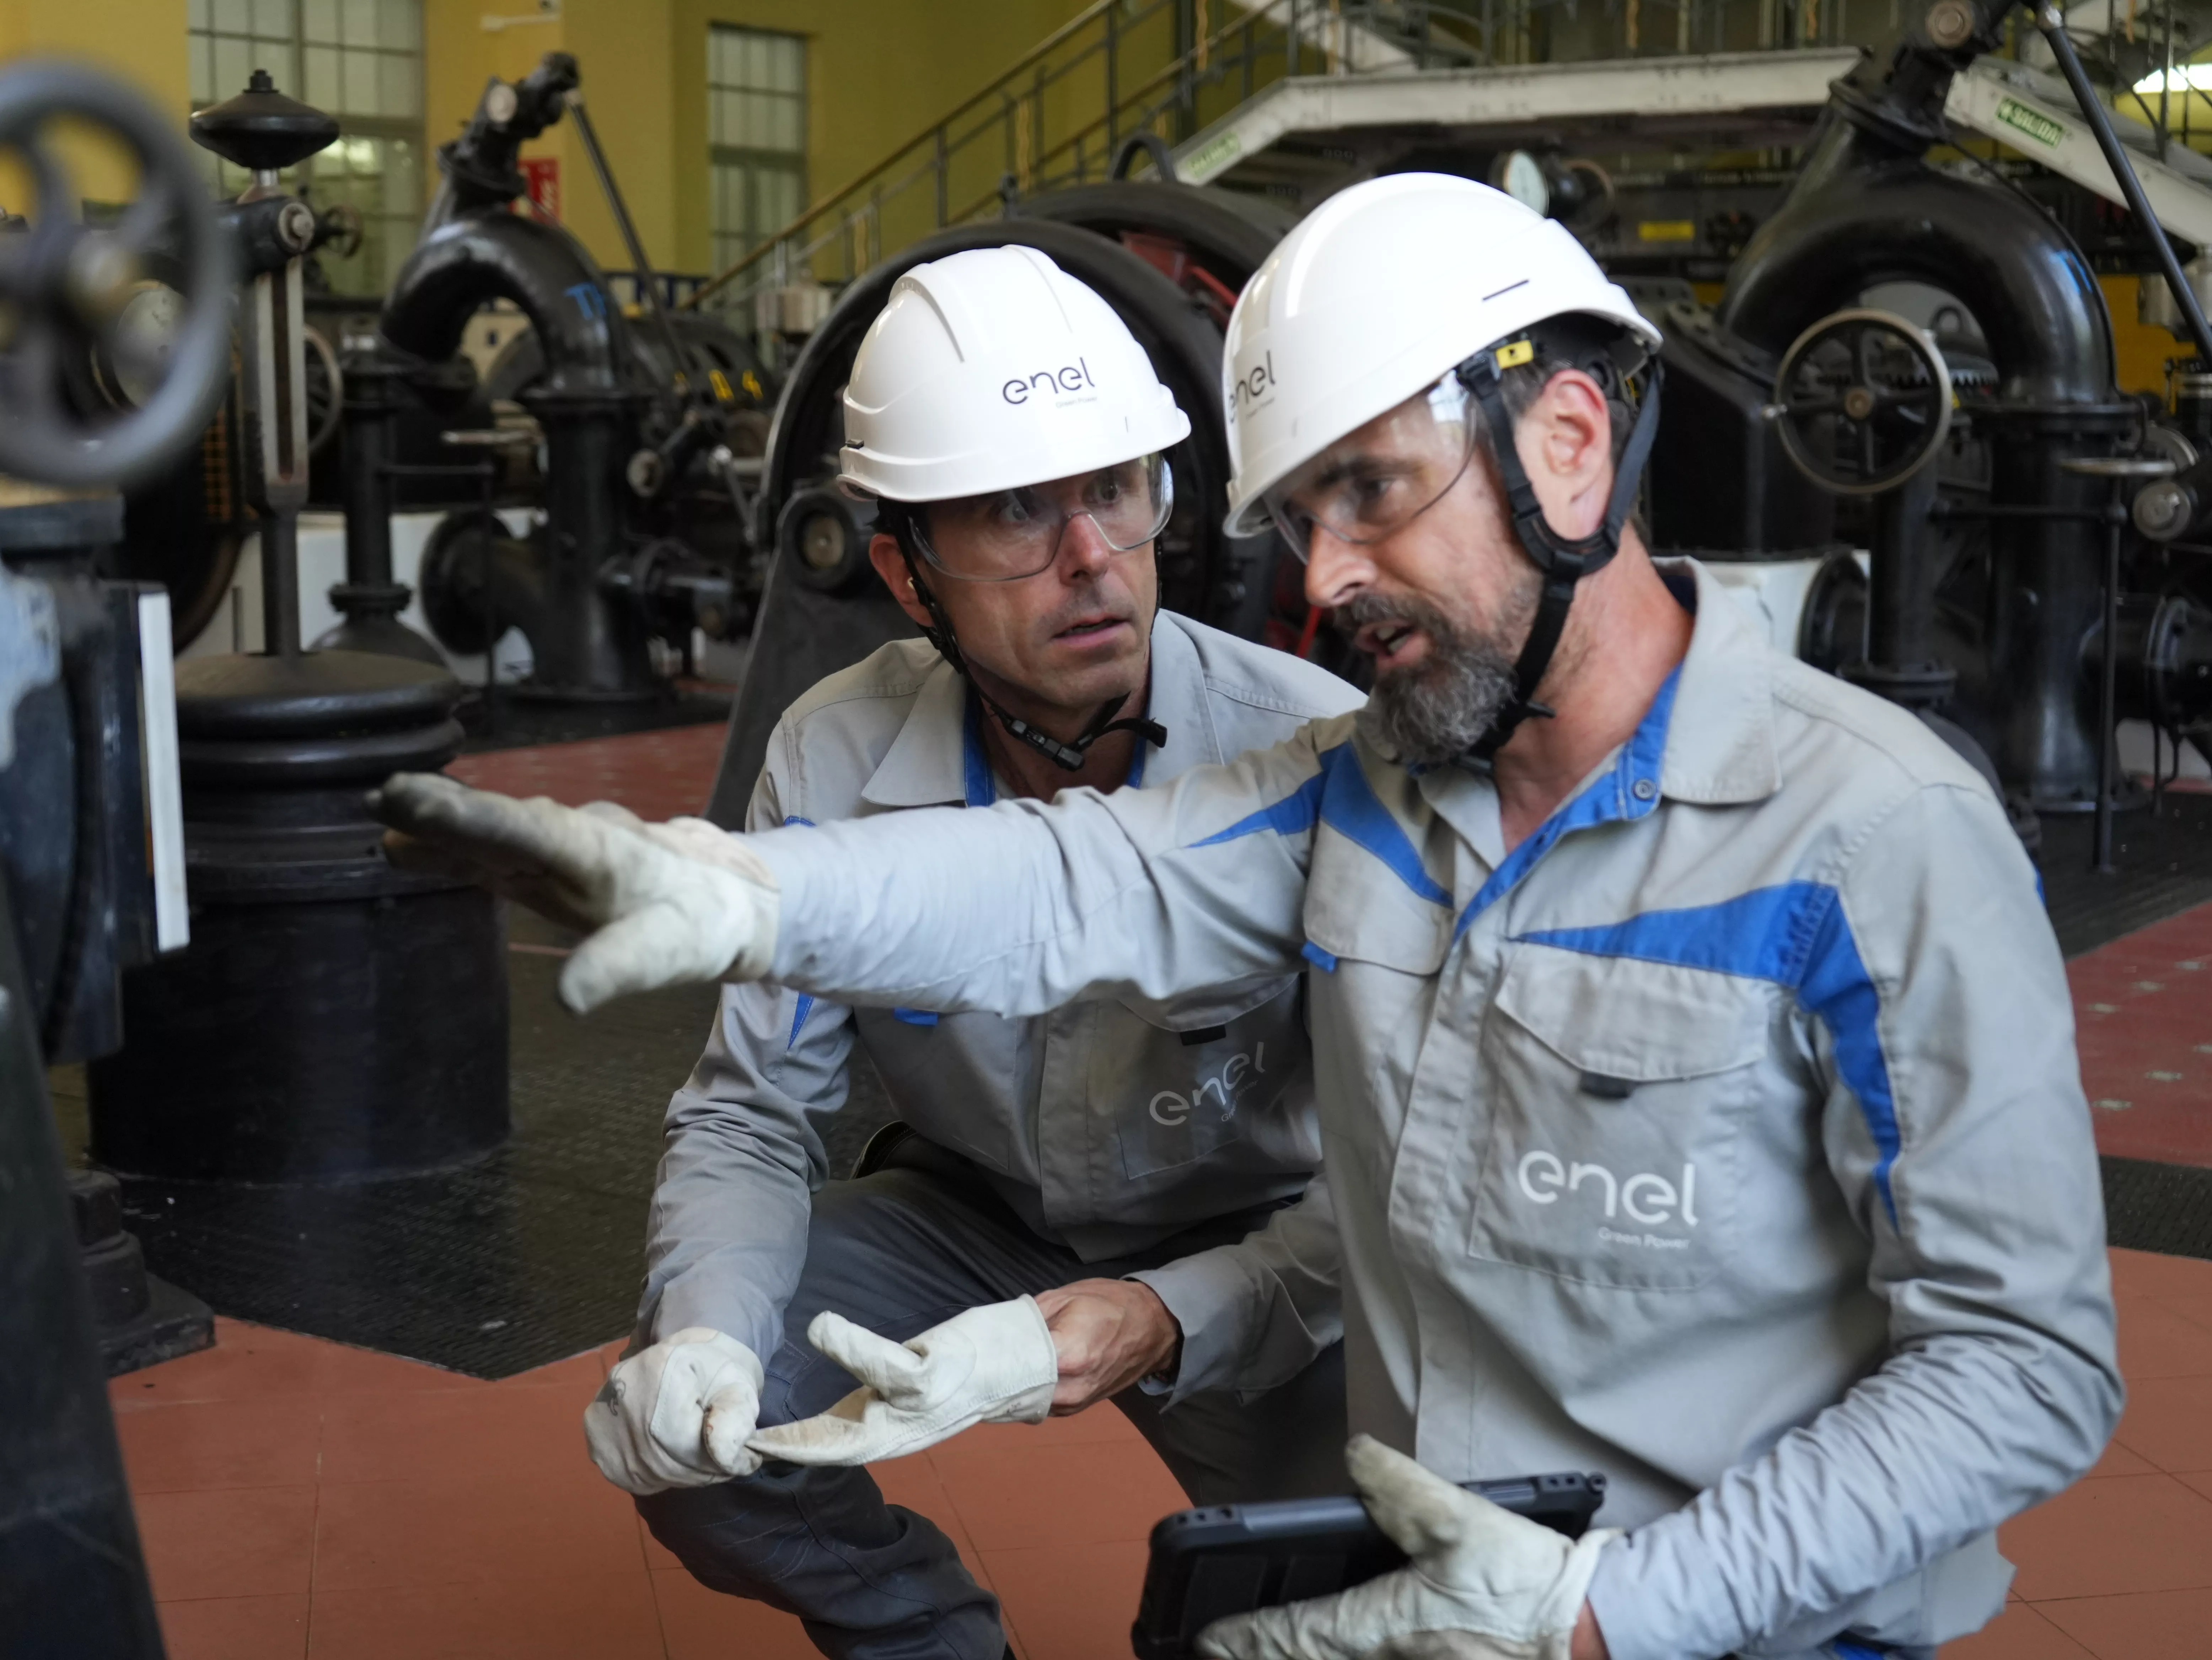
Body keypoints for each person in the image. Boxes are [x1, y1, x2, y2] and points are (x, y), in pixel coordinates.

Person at [374, 176, 2120, 1660]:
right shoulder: (1368, 789)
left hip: (1746, 1612)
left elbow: (2019, 1363)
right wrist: (744, 890)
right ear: (902, 566)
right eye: (1298, 516)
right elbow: (1086, 874)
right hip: (1439, 1547)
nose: (1325, 579)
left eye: (1369, 491)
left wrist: (1600, 1613)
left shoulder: (1871, 834)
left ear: (1571, 444)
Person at [565, 244, 1363, 1660]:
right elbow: (754, 1111)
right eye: (1011, 510)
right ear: (902, 565)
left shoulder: (1307, 748)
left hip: (1254, 1242)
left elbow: (1395, 1179)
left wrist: (1164, 1316)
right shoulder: (831, 752)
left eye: (1115, 490)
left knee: (1383, 1599)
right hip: (972, 1213)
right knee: (696, 1425)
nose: (1088, 560)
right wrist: (701, 1331)